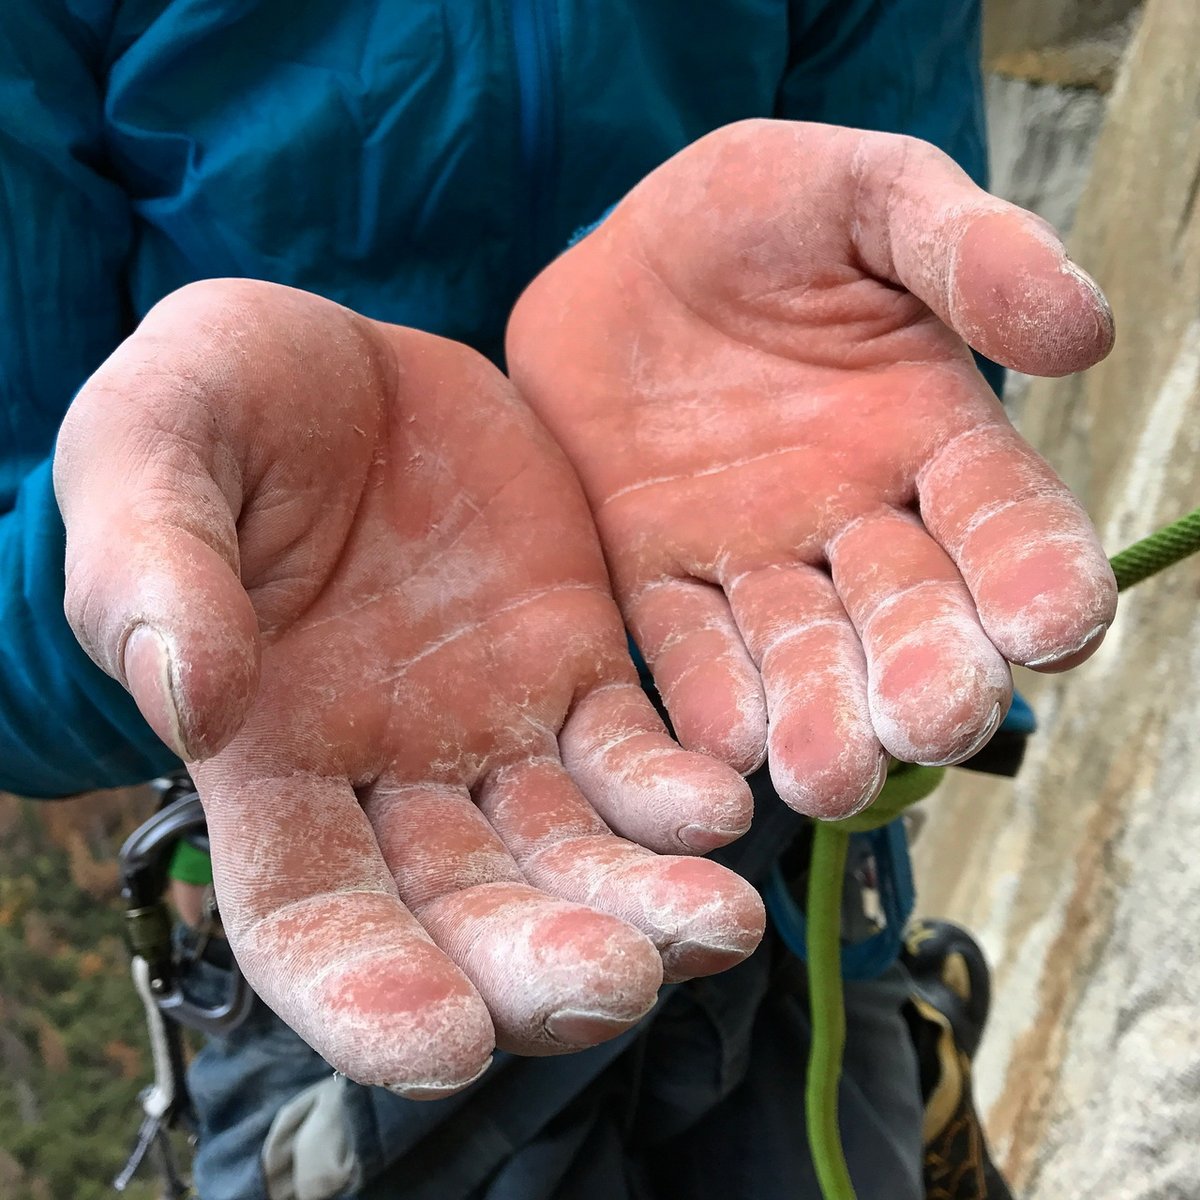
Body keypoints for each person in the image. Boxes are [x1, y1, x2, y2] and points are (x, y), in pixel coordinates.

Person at [0, 2, 1116, 1197]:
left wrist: (825, 323)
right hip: (352, 818)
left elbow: (900, 345)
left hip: (780, 796)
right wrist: (191, 545)